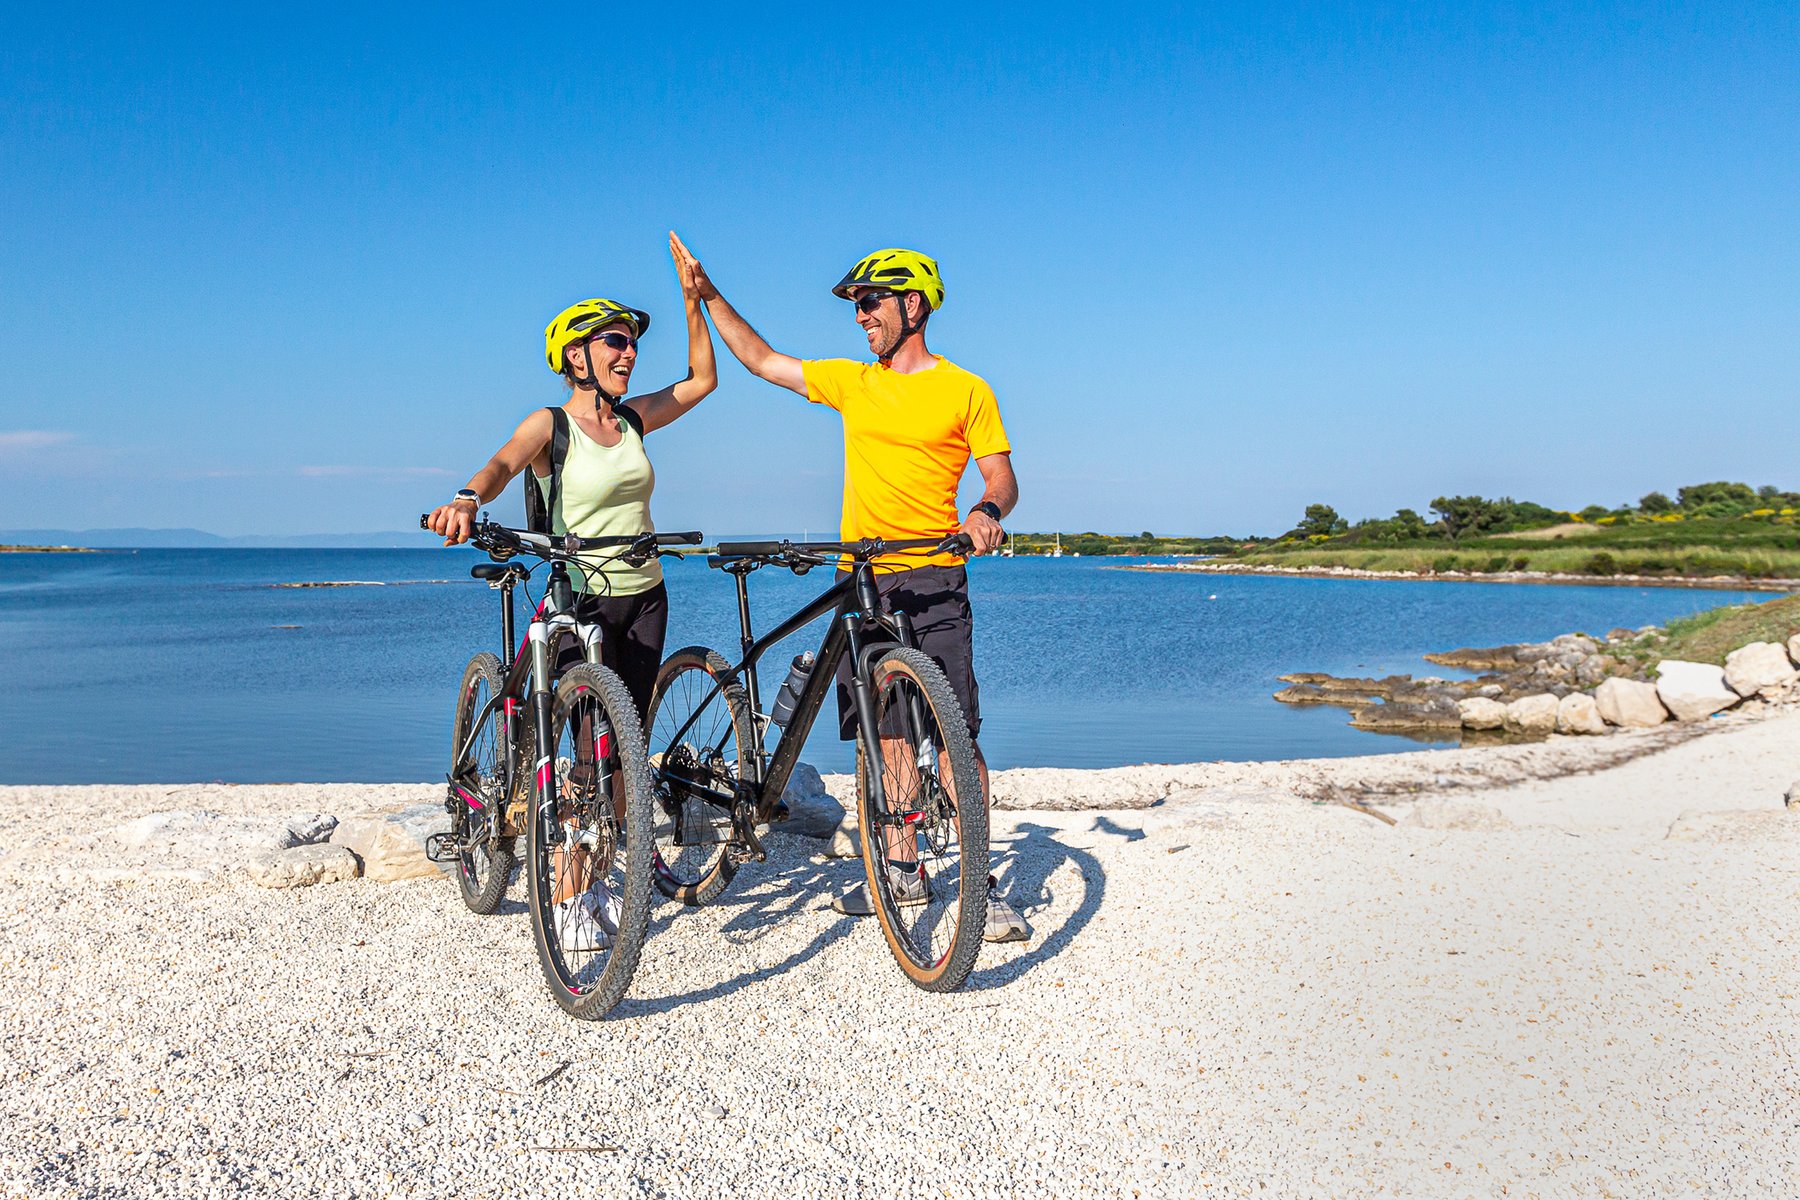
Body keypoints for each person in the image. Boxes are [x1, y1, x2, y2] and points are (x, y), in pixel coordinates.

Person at [668, 234, 1029, 944]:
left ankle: (979, 888)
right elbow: (765, 361)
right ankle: (901, 870)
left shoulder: (965, 389)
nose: (860, 316)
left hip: (934, 572)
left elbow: (1002, 478)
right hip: (862, 576)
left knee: (960, 738)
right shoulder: (855, 382)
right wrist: (707, 297)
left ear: (913, 305)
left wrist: (986, 511)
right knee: (887, 732)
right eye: (857, 306)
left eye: (870, 303)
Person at [426, 234, 717, 950]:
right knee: (588, 754)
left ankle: (605, 861)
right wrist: (466, 499)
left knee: (627, 744)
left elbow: (703, 379)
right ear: (576, 356)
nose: (627, 355)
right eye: (615, 342)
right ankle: (572, 896)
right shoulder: (551, 425)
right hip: (580, 599)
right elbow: (499, 464)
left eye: (631, 346)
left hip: (644, 594)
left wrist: (692, 299)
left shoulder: (634, 418)